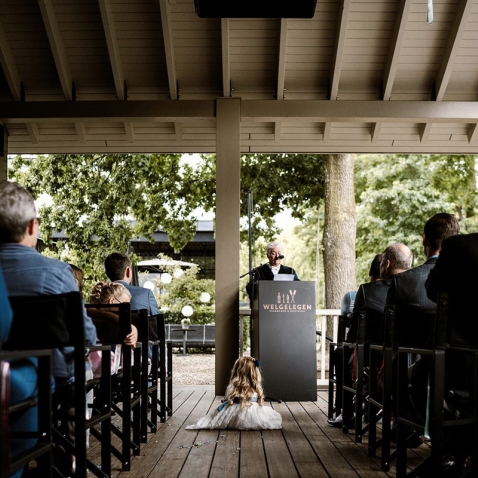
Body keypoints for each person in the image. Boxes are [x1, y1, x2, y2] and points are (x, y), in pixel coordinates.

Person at [0, 180, 98, 474]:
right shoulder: (57, 273)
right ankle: (66, 450)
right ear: (32, 226)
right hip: (54, 384)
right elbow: (88, 338)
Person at [328, 244, 412, 429]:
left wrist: (349, 345)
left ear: (386, 264)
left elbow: (356, 330)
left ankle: (347, 412)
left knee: (341, 353)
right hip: (408, 359)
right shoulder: (415, 288)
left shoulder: (368, 291)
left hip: (372, 357)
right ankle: (404, 419)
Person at [185, 356, 282, 430]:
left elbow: (234, 399)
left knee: (216, 414)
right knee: (273, 416)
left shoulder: (234, 386)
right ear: (255, 373)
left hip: (235, 416)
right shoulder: (256, 387)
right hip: (254, 416)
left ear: (237, 372)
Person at [104, 252, 160, 317]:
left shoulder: (99, 297)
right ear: (128, 271)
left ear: (107, 274)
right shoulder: (145, 294)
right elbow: (158, 324)